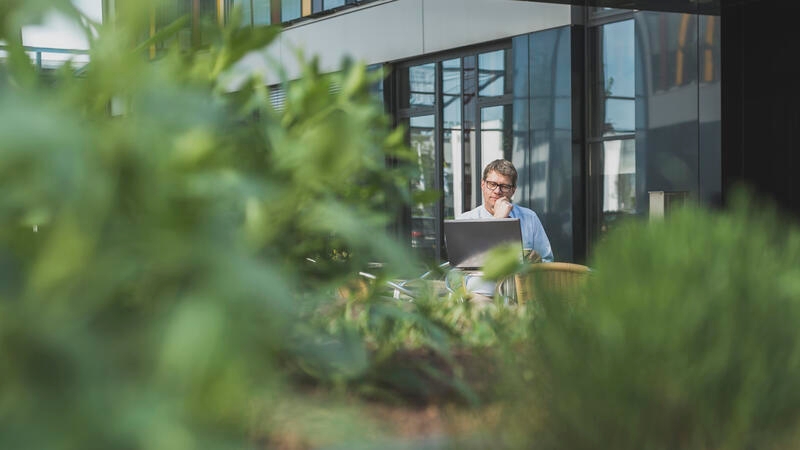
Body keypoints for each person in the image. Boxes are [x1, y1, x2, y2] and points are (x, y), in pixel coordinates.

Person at [456, 159, 553, 298]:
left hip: (523, 294)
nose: (497, 191)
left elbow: (548, 261)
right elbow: (460, 271)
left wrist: (538, 260)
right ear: (482, 185)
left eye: (504, 186)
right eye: (492, 184)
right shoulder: (464, 221)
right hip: (483, 295)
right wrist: (498, 219)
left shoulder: (530, 217)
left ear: (513, 191)